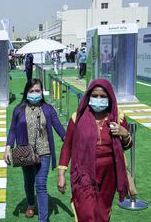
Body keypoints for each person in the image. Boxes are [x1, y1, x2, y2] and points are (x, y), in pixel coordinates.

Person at [57, 79, 133, 222]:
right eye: (95, 95)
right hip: (83, 174)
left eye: (103, 96)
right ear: (88, 96)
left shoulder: (118, 117)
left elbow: (127, 146)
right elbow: (67, 146)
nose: (98, 99)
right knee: (87, 214)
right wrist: (61, 173)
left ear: (110, 98)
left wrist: (125, 133)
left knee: (102, 214)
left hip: (109, 175)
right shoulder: (77, 118)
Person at [4, 79, 66, 222]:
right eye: (31, 91)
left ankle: (43, 220)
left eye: (37, 91)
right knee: (28, 181)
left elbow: (59, 129)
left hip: (44, 152)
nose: (34, 94)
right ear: (26, 92)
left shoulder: (48, 109)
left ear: (42, 92)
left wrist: (70, 140)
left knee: (41, 184)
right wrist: (8, 147)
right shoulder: (19, 109)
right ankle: (31, 204)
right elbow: (12, 129)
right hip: (25, 152)